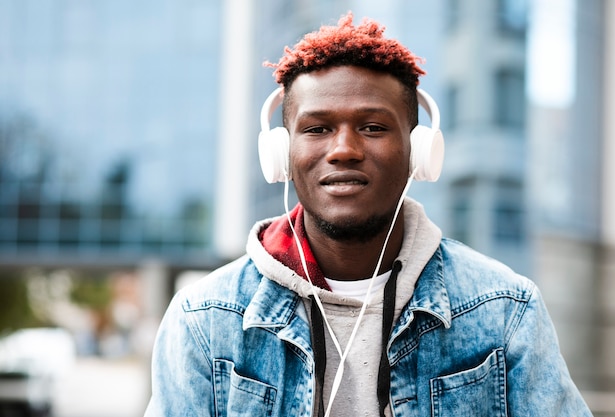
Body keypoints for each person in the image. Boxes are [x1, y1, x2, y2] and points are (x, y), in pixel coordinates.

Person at [144, 13, 592, 416]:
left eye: (373, 128)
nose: (344, 150)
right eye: (317, 129)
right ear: (281, 154)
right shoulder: (203, 318)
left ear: (418, 152)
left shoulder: (506, 310)